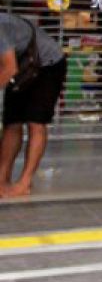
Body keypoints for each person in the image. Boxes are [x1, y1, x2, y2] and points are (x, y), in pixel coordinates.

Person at [0, 12, 67, 198]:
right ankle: (2, 180)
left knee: (35, 121)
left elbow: (9, 67)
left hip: (48, 64)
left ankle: (24, 182)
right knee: (11, 123)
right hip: (23, 67)